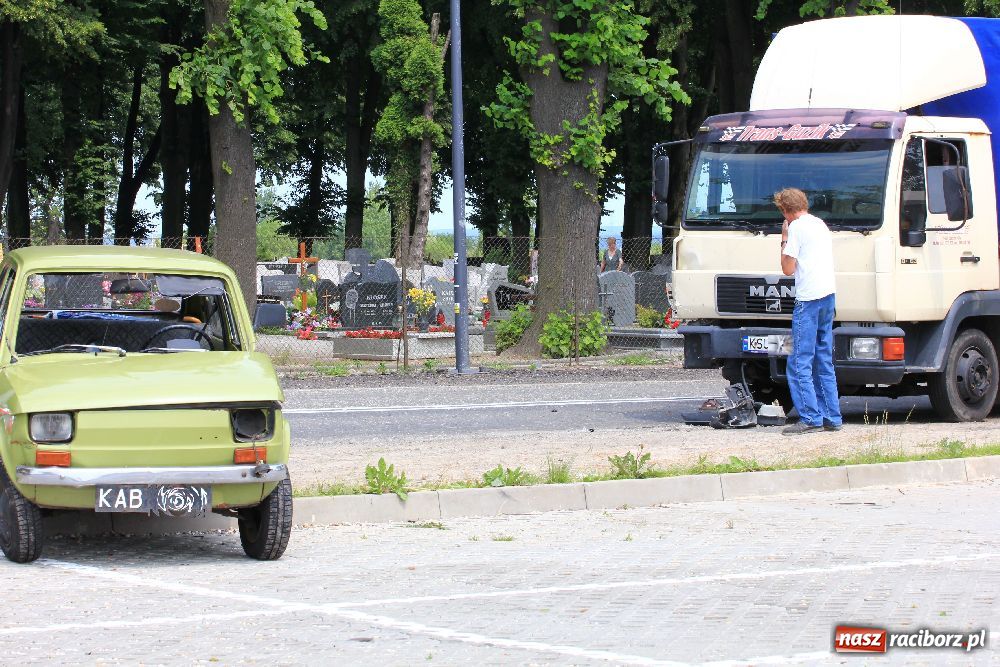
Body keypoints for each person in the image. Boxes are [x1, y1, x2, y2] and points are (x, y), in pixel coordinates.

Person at [775, 188, 843, 435]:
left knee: (799, 361)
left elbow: (787, 268)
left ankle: (810, 418)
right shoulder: (819, 224)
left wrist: (783, 238)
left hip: (809, 299)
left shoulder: (796, 228)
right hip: (828, 296)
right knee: (823, 358)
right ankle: (831, 416)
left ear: (785, 210)